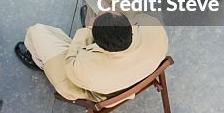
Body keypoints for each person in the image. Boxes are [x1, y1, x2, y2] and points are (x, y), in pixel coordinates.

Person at [16, 11, 169, 102]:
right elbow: (136, 14)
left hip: (102, 91)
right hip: (141, 73)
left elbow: (71, 61)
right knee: (94, 7)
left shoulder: (83, 69)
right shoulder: (154, 28)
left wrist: (86, 30)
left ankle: (38, 61)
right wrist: (114, 0)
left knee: (36, 32)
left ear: (97, 41)